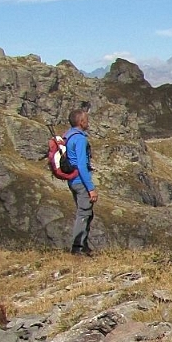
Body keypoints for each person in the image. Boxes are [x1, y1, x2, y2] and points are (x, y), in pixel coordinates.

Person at [65, 107, 97, 255]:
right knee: (84, 213)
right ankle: (77, 248)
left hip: (72, 180)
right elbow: (82, 165)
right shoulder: (80, 139)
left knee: (86, 213)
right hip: (80, 181)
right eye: (86, 120)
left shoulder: (68, 136)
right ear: (81, 121)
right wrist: (90, 187)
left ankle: (83, 246)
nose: (88, 122)